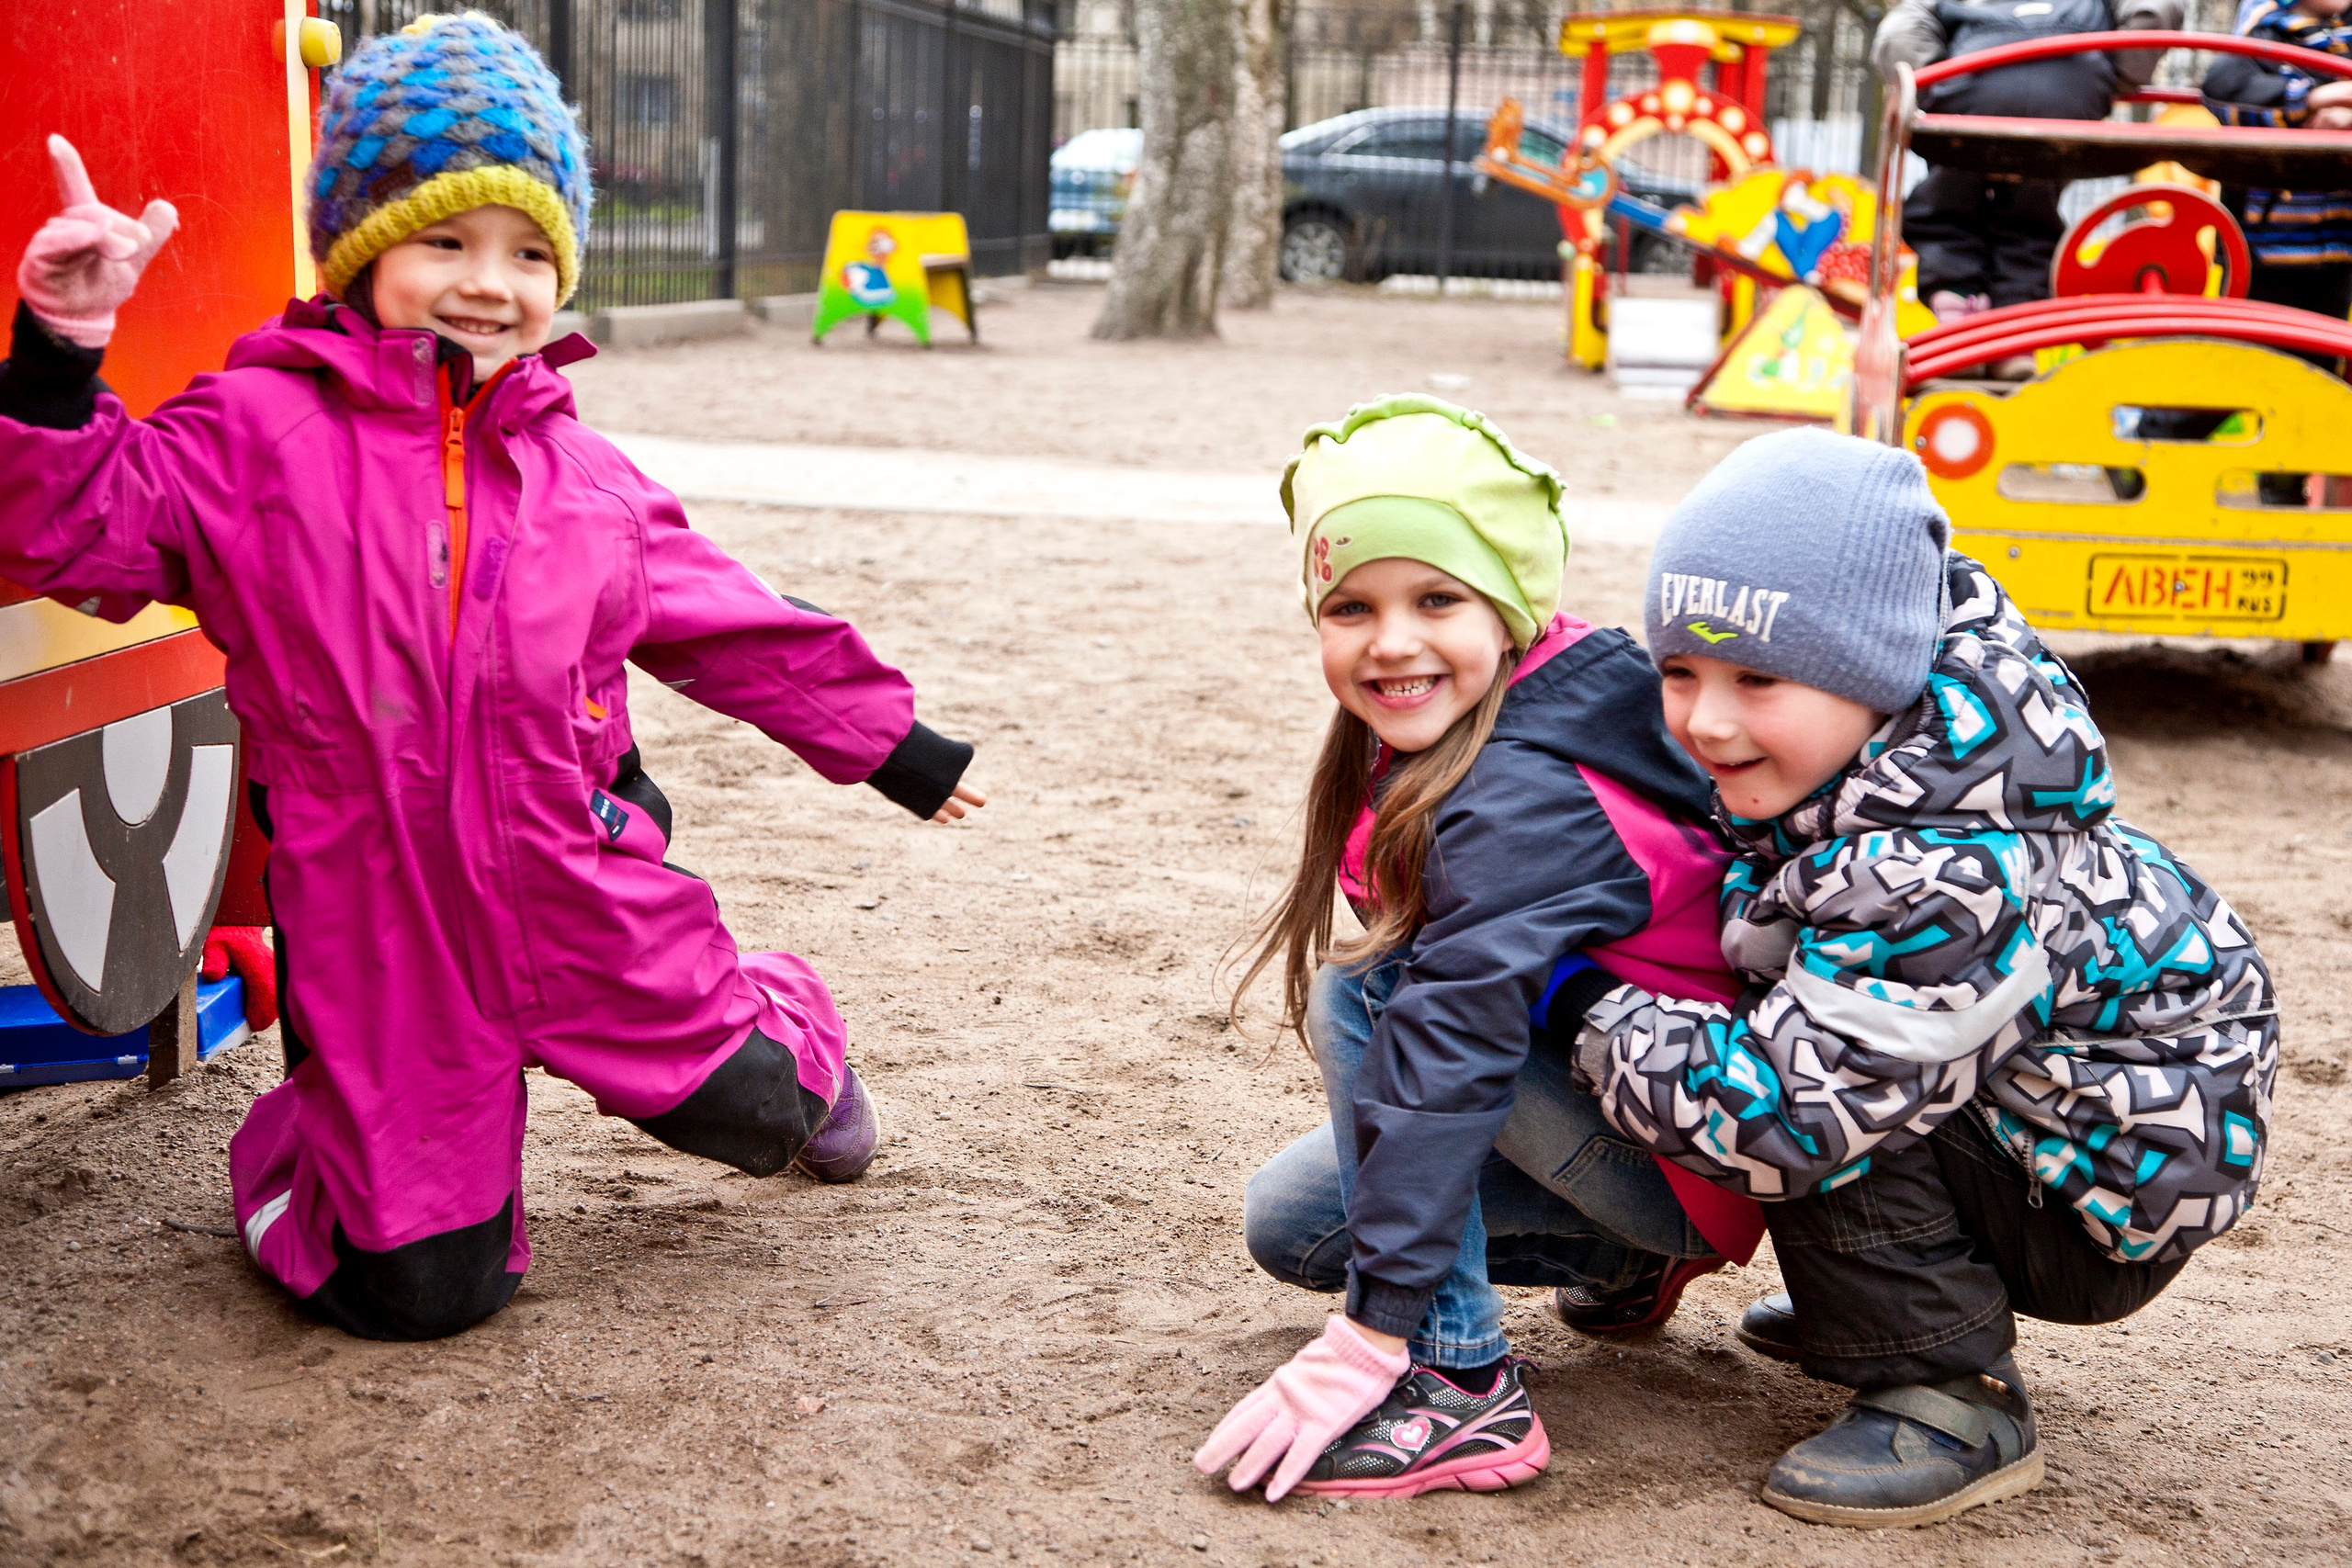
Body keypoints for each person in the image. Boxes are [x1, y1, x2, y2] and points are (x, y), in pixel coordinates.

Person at [0, 15, 982, 1340]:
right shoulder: (253, 434)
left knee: (758, 1107)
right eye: (444, 239)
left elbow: (734, 619)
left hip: (577, 875)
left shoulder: (583, 476)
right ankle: (326, 1126)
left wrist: (894, 742)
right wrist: (60, 350)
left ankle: (795, 1017)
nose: (488, 282)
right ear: (360, 248)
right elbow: (65, 525)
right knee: (412, 1289)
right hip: (379, 915)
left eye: (528, 252)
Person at [1556, 428, 2276, 1528]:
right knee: (1819, 1017)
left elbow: (1800, 1111)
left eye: (1757, 677)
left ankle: (1948, 1390)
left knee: (1814, 1086)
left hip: (2094, 1201)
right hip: (2046, 1119)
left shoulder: (1937, 866)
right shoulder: (1877, 761)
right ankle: (1877, 1293)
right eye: (1680, 671)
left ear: (1875, 672)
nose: (1706, 718)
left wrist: (1584, 1011)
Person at [1194, 398, 1762, 1503]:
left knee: (1368, 989)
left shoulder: (1525, 790)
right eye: (1350, 606)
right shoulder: (1516, 694)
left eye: (1437, 598)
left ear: (1509, 604)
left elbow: (1447, 1037)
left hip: (1691, 1140)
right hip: (1637, 1110)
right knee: (1298, 1229)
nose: (1391, 639)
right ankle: (1632, 1264)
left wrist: (1380, 1337)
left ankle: (1462, 1389)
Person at [1875, 0, 2184, 337]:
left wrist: (1934, 83)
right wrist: (2115, 75)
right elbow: (2155, 8)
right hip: (2070, 84)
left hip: (1972, 84)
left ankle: (1956, 309)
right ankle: (2016, 328)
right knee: (2032, 204)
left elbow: (1900, 30)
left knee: (1950, 192)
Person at [2205, 0, 2352, 499]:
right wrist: (2314, 99)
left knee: (2312, 378)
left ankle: (2283, 491)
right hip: (2264, 248)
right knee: (2238, 366)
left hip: (2335, 246)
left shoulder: (2345, 35)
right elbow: (2223, 91)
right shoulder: (2264, 34)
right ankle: (2154, 438)